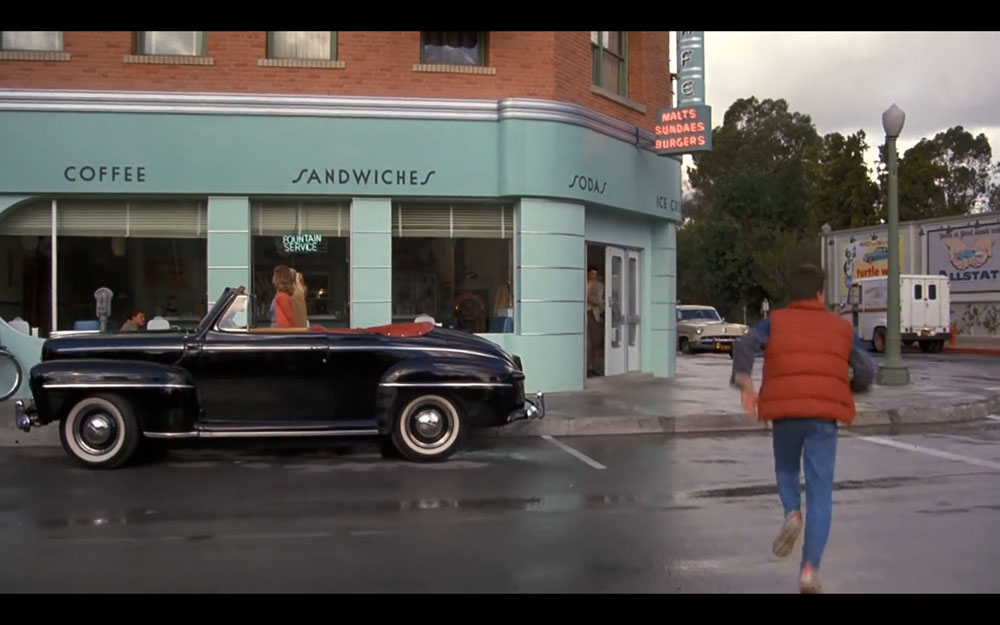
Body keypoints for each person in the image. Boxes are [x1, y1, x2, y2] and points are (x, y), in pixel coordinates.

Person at [730, 264, 874, 594]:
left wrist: (746, 385)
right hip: (823, 417)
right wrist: (850, 387)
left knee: (786, 467)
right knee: (820, 492)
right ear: (820, 294)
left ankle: (792, 512)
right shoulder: (840, 327)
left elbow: (745, 345)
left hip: (785, 412)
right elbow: (866, 368)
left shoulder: (774, 322)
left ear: (792, 294)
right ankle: (809, 570)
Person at [586, 265, 604, 376]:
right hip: (584, 314)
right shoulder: (583, 283)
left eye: (595, 274)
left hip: (592, 314)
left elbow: (598, 300)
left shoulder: (598, 285)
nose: (593, 276)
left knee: (593, 343)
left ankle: (591, 366)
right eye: (592, 273)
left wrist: (587, 297)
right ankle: (586, 367)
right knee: (586, 343)